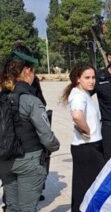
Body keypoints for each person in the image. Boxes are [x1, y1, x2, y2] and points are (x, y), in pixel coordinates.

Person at [0, 47, 60, 212]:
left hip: (4, 161)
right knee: (27, 208)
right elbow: (47, 137)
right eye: (34, 71)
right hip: (29, 161)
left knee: (11, 207)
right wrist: (55, 146)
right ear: (27, 70)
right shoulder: (30, 100)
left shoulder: (2, 96)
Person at [61, 64, 105, 212]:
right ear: (78, 79)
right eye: (87, 78)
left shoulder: (83, 93)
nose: (92, 81)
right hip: (87, 148)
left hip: (89, 147)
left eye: (93, 77)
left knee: (86, 187)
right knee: (88, 188)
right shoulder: (79, 95)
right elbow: (77, 115)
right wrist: (86, 130)